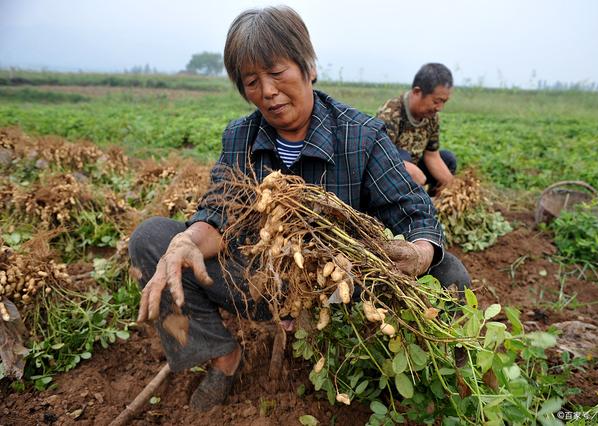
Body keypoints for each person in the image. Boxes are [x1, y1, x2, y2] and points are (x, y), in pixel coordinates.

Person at [128, 6, 470, 412]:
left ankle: (444, 377)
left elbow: (415, 213)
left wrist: (418, 252)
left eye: (277, 73)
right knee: (155, 240)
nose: (267, 91)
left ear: (308, 67)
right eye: (252, 81)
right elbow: (219, 212)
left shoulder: (361, 136)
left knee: (448, 273)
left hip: (339, 286)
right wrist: (187, 241)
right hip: (260, 282)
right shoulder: (241, 136)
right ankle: (223, 356)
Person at [376, 63, 456, 194]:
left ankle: (434, 202)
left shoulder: (432, 117)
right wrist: (408, 169)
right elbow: (380, 158)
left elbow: (432, 156)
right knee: (403, 157)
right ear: (417, 92)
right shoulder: (391, 113)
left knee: (448, 159)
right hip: (390, 173)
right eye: (436, 101)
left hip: (418, 171)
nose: (440, 108)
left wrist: (453, 188)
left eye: (444, 102)